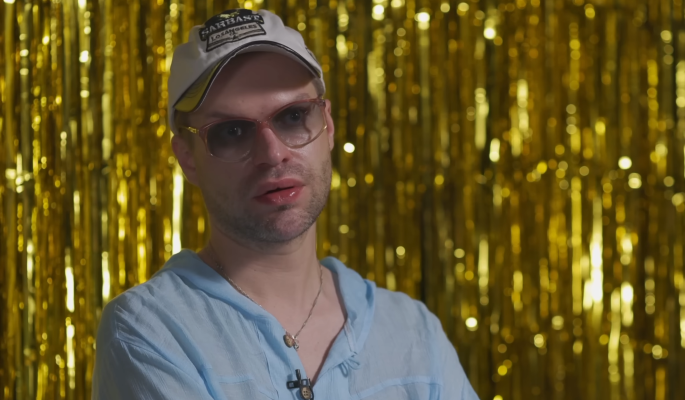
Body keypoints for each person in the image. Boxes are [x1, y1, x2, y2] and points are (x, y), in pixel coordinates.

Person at [92, 8, 479, 400]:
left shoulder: (414, 331)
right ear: (188, 157)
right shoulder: (150, 330)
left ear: (327, 126)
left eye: (293, 116)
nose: (273, 154)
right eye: (232, 131)